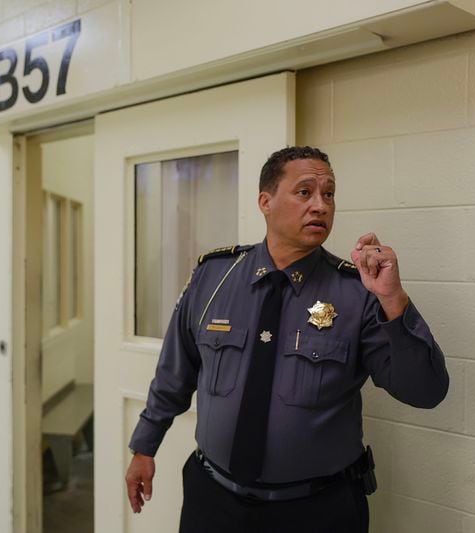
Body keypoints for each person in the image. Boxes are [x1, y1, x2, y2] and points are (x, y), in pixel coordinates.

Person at [125, 146, 449, 532]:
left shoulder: (357, 292)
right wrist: (145, 446)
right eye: (304, 192)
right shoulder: (215, 277)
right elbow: (174, 374)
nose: (320, 206)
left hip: (316, 511)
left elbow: (426, 392)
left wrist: (393, 298)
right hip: (213, 502)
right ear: (265, 201)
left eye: (328, 194)